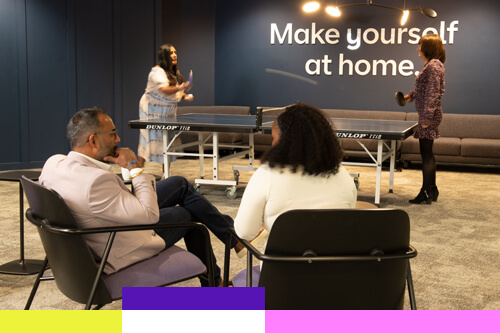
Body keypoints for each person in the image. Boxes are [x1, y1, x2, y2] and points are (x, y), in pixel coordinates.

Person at [39, 107, 241, 287]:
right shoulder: (96, 181)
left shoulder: (53, 164)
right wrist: (134, 167)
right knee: (188, 216)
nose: (118, 139)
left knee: (179, 184)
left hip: (105, 217)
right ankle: (216, 283)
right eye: (113, 134)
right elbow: (149, 216)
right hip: (119, 242)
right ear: (93, 140)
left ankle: (232, 238)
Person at [234, 103, 357, 242]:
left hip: (280, 264)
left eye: (275, 138)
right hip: (332, 263)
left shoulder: (266, 174)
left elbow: (245, 232)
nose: (273, 144)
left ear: (287, 143)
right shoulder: (343, 175)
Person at [404, 34, 446, 204]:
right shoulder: (432, 65)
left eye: (420, 45)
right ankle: (433, 189)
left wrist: (427, 119)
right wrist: (411, 96)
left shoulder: (433, 66)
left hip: (429, 116)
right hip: (427, 114)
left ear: (427, 47)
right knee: (427, 154)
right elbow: (426, 89)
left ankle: (426, 192)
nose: (417, 48)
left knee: (426, 155)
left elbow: (433, 94)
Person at [137, 44, 193, 167]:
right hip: (151, 109)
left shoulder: (173, 71)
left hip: (167, 111)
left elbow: (175, 90)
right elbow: (165, 90)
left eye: (175, 52)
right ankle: (138, 171)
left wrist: (184, 96)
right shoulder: (156, 71)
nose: (174, 55)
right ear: (164, 56)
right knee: (147, 138)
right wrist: (182, 87)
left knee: (167, 140)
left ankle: (166, 174)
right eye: (170, 53)